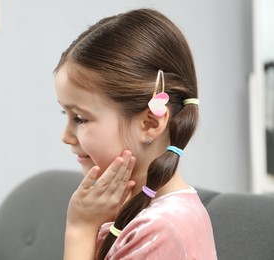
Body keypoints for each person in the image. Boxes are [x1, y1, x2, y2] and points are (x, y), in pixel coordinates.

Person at [54, 8, 217, 260]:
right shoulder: (127, 211)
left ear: (150, 123)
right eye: (65, 115)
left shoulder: (160, 230)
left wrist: (80, 229)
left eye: (80, 118)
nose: (66, 136)